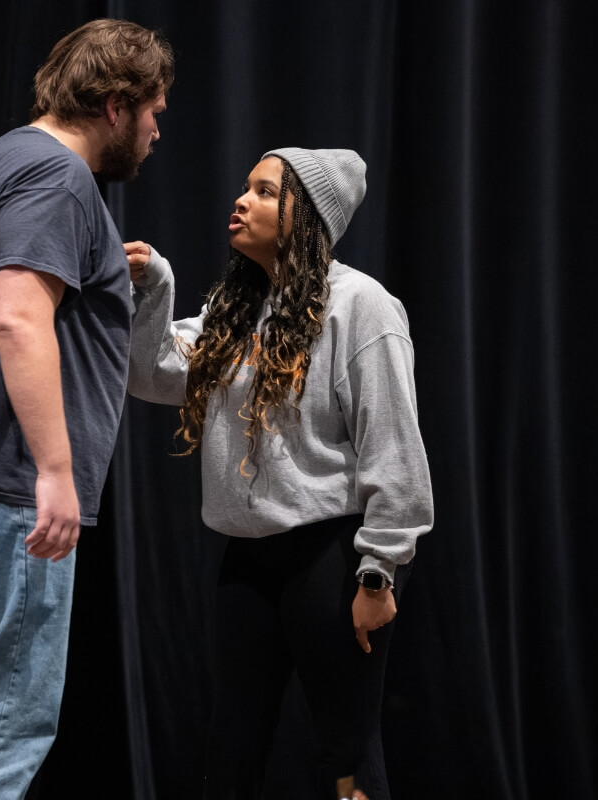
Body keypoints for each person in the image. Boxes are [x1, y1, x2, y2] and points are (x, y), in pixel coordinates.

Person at [0, 18, 174, 800]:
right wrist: (55, 473)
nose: (159, 130)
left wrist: (95, 269)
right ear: (116, 104)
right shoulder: (58, 178)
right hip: (1, 489)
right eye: (154, 109)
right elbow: (17, 318)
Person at [126, 148, 433, 800]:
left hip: (335, 555)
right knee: (231, 745)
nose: (242, 201)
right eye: (245, 188)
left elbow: (396, 450)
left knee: (347, 746)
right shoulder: (235, 311)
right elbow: (149, 374)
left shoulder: (362, 307)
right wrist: (156, 287)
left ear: (308, 216)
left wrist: (379, 570)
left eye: (265, 192)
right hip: (250, 559)